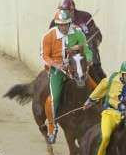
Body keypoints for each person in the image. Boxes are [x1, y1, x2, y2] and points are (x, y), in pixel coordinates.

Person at [40, 10, 97, 144]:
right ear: (57, 24)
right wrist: (56, 65)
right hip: (58, 70)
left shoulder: (77, 33)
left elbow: (87, 50)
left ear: (69, 23)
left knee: (95, 88)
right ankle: (52, 127)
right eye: (61, 24)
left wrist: (88, 59)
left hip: (76, 66)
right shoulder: (49, 36)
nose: (64, 27)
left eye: (66, 24)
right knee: (54, 98)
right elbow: (44, 56)